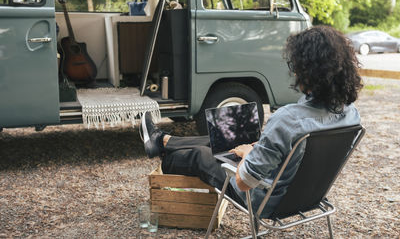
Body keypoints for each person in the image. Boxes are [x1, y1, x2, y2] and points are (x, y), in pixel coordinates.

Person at [141, 25, 363, 218]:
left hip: (265, 201)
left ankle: (166, 152)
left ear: (308, 72)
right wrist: (254, 149)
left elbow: (243, 182)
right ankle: (163, 141)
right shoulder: (351, 114)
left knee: (200, 155)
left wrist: (248, 153)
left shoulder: (287, 120)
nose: (293, 73)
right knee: (228, 141)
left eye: (295, 67)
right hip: (308, 195)